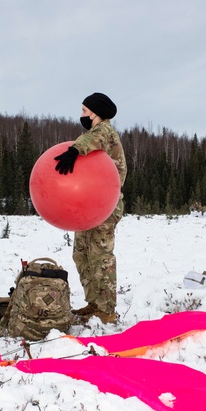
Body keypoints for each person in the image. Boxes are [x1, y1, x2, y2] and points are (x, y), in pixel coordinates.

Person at [54, 92, 127, 324]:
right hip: (88, 207)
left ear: (97, 113)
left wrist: (74, 150)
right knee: (81, 254)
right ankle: (94, 303)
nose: (82, 116)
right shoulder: (91, 136)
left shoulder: (105, 131)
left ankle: (107, 309)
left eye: (85, 111)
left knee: (101, 257)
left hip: (105, 207)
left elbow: (93, 140)